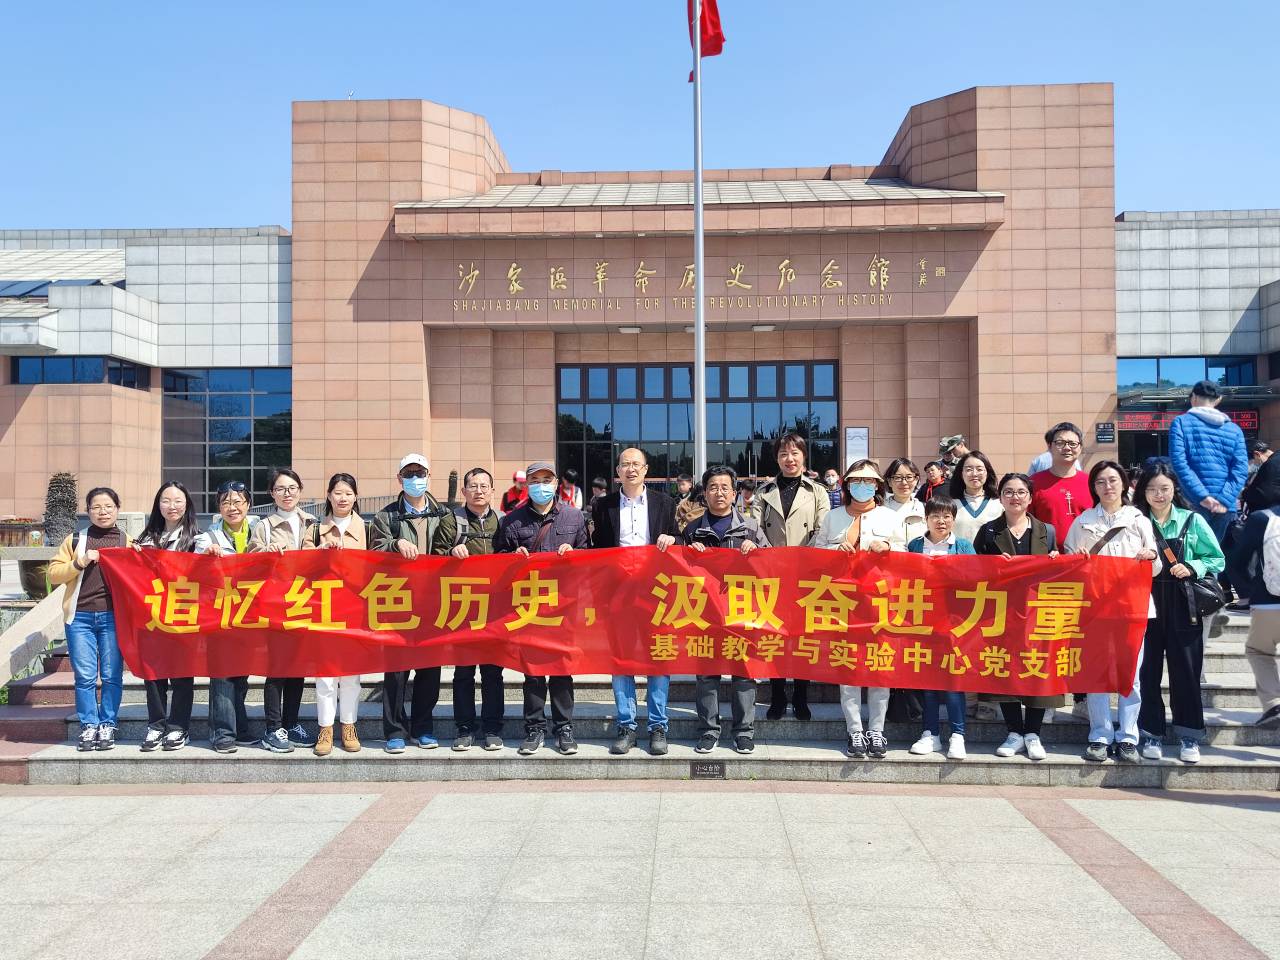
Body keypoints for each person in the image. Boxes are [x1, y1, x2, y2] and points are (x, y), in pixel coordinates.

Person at [1064, 461, 1161, 763]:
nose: (1108, 487)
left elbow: (1156, 567)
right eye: (1101, 482)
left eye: (1113, 480)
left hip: (1133, 608)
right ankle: (1100, 735)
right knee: (1097, 674)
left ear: (1124, 484)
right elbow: (1068, 565)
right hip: (1096, 609)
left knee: (1130, 674)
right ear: (1093, 487)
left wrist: (1150, 557)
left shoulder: (1138, 519)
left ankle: (1128, 737)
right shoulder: (1082, 522)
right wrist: (1078, 560)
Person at [496, 460, 589, 756]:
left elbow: (589, 556)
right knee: (533, 672)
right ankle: (534, 728)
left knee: (562, 670)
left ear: (556, 483)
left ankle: (564, 728)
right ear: (527, 485)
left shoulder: (574, 516)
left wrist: (574, 554)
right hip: (528, 607)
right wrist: (512, 556)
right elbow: (497, 560)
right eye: (535, 480)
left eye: (546, 480)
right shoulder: (512, 520)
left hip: (563, 607)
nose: (540, 486)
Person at [591, 448, 679, 756]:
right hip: (618, 595)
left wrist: (673, 539)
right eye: (625, 464)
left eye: (636, 464)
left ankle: (658, 726)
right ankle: (626, 726)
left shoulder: (665, 503)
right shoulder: (603, 506)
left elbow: (679, 539)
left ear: (646, 469)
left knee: (659, 658)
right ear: (618, 471)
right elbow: (597, 549)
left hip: (656, 594)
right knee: (621, 660)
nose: (631, 469)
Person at [1133, 463, 1223, 764]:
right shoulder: (1136, 520)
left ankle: (1189, 735)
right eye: (1151, 489)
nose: (1158, 495)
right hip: (1146, 604)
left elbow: (1217, 559)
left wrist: (1193, 566)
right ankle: (1151, 732)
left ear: (1174, 489)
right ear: (1142, 491)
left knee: (1186, 672)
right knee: (1147, 672)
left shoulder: (1192, 519)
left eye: (1164, 488)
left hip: (1185, 605)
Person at [813, 459, 900, 760]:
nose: (862, 486)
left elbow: (908, 554)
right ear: (847, 485)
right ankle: (854, 731)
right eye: (856, 481)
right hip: (843, 602)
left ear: (877, 485)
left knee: (878, 668)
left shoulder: (890, 517)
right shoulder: (833, 516)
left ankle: (877, 730)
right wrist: (834, 550)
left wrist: (888, 548)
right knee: (848, 668)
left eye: (869, 481)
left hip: (879, 602)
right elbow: (815, 551)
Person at [973, 472, 1062, 760]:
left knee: (1038, 668)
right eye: (1008, 492)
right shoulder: (988, 531)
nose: (1015, 497)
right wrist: (991, 566)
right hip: (1002, 613)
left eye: (1021, 492)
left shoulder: (1047, 531)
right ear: (1000, 497)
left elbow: (1061, 572)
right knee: (1006, 668)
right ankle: (1013, 731)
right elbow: (972, 572)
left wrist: (1056, 560)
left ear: (1030, 497)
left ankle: (1033, 733)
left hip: (1038, 612)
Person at [683, 465, 769, 754]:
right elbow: (678, 573)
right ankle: (708, 730)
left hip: (741, 610)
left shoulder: (751, 528)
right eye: (713, 488)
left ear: (734, 493)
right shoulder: (692, 530)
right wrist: (690, 556)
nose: (719, 493)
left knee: (744, 672)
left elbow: (771, 567)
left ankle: (743, 732)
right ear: (705, 494)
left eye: (724, 488)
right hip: (705, 612)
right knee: (707, 674)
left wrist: (756, 552)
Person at [371, 453, 449, 753]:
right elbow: (373, 552)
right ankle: (394, 730)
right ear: (399, 479)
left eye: (420, 473)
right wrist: (395, 544)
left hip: (433, 601)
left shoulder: (443, 514)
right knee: (396, 672)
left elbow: (449, 547)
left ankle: (423, 727)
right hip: (398, 601)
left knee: (430, 669)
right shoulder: (386, 516)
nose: (415, 479)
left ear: (429, 476)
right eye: (409, 474)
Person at [48, 487, 130, 752]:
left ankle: (107, 724)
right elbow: (53, 574)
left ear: (117, 509)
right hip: (79, 617)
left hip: (113, 618)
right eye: (96, 507)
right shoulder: (76, 540)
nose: (102, 512)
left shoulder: (126, 541)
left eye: (108, 506)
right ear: (87, 511)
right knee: (84, 676)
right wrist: (79, 562)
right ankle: (89, 725)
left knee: (111, 675)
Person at [756, 432, 830, 721]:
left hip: (806, 574)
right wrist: (774, 559)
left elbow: (822, 530)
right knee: (774, 636)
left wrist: (800, 559)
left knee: (802, 638)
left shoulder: (818, 492)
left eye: (795, 453)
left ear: (804, 456)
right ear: (777, 458)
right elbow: (755, 528)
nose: (790, 459)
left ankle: (800, 696)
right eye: (784, 453)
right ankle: (777, 696)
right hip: (771, 573)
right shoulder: (764, 492)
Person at [433, 467, 505, 752]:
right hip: (463, 608)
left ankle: (492, 728)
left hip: (495, 609)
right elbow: (433, 559)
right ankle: (464, 728)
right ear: (463, 491)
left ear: (492, 490)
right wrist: (451, 553)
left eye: (484, 486)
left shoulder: (502, 521)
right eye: (473, 486)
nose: (479, 491)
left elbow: (511, 552)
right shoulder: (451, 521)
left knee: (493, 672)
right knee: (463, 673)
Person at [248, 467, 319, 753]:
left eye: (291, 488)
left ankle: (291, 723)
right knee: (277, 669)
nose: (286, 494)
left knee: (297, 668)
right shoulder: (263, 526)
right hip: (276, 605)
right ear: (272, 493)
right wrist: (265, 552)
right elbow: (249, 561)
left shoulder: (312, 523)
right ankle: (272, 728)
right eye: (280, 489)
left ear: (300, 491)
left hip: (304, 602)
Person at [133, 481, 201, 752]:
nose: (172, 506)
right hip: (151, 617)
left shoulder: (198, 539)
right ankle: (156, 725)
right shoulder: (144, 539)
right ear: (157, 505)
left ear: (187, 505)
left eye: (178, 501)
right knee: (153, 674)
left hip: (183, 617)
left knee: (182, 675)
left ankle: (178, 727)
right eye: (166, 500)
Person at [906, 496, 974, 760]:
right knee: (928, 682)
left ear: (953, 520)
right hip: (923, 622)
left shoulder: (963, 546)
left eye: (947, 516)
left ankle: (958, 734)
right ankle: (930, 733)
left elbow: (976, 579)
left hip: (955, 623)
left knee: (954, 681)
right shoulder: (915, 545)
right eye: (935, 516)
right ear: (926, 519)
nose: (941, 521)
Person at [195, 479, 260, 753]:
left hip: (251, 615)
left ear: (248, 505)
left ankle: (240, 727)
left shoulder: (260, 533)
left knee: (241, 675)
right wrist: (206, 556)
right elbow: (195, 569)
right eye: (225, 503)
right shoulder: (206, 538)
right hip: (220, 616)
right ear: (218, 508)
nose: (232, 508)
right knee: (222, 674)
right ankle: (222, 733)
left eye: (237, 502)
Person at [306, 473, 365, 757]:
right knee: (325, 675)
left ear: (356, 497)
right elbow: (299, 565)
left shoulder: (367, 528)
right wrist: (320, 552)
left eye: (348, 493)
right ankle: (325, 728)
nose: (343, 498)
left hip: (355, 609)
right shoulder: (314, 528)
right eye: (338, 493)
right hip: (323, 608)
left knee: (351, 674)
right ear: (329, 495)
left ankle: (349, 726)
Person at [1227, 455, 1280, 728]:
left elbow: (1236, 561)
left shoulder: (1262, 519)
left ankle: (1273, 703)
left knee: (1259, 651)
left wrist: (1250, 590)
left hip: (1267, 602)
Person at [1168, 379, 1249, 544]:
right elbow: (1241, 469)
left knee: (1190, 554)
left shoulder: (1181, 423)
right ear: (1218, 399)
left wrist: (1202, 497)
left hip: (1192, 501)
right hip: (1225, 507)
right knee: (1216, 554)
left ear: (1193, 397)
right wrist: (1224, 500)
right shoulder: (1235, 429)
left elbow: (1179, 463)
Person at [1030, 422, 1093, 549]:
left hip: (1085, 554)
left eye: (1072, 443)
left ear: (1080, 447)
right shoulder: (1033, 483)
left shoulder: (1091, 482)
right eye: (1060, 443)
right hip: (1046, 555)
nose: (1067, 448)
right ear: (1049, 446)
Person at [948, 450, 1003, 545]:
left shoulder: (999, 504)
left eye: (979, 469)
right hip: (958, 554)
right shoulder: (950, 505)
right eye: (969, 469)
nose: (974, 474)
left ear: (987, 473)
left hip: (990, 554)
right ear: (961, 474)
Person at [882, 457, 926, 547]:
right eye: (898, 477)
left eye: (909, 477)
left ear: (916, 480)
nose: (904, 482)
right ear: (889, 481)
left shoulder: (926, 510)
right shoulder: (879, 510)